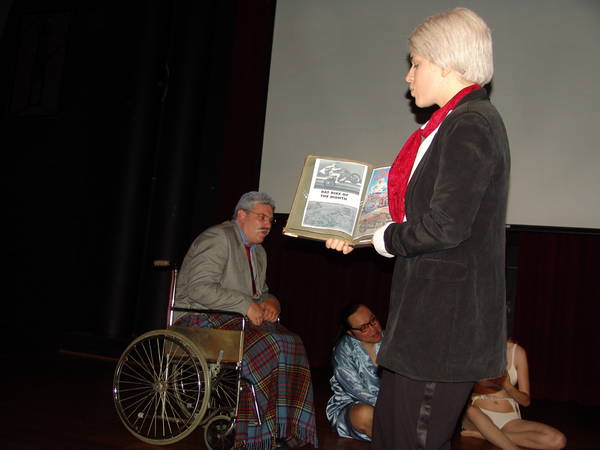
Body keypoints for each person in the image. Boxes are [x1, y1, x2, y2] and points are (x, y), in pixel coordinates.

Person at [325, 8, 510, 449]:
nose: (408, 76)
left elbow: (445, 226)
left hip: (441, 332)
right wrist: (359, 231)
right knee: (395, 437)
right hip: (425, 330)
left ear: (446, 63)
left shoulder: (470, 123)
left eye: (416, 63)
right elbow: (427, 216)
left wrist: (383, 238)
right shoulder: (454, 123)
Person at [174, 191, 317, 449]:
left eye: (271, 220)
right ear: (241, 215)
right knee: (270, 344)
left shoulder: (258, 252)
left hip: (233, 319)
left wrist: (271, 301)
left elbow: (260, 293)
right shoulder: (218, 238)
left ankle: (283, 429)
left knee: (291, 342)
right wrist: (245, 304)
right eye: (262, 217)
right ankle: (255, 434)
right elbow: (198, 289)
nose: (268, 224)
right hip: (199, 317)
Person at [461, 339, 567, 450]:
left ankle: (487, 435)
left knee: (558, 440)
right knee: (471, 411)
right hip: (478, 415)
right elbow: (476, 381)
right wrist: (495, 381)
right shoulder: (476, 348)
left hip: (509, 421)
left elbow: (526, 402)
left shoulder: (518, 352)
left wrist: (508, 387)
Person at [326, 304, 383, 442]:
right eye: (364, 328)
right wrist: (392, 407)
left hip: (395, 405)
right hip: (355, 404)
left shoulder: (393, 340)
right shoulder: (343, 352)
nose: (373, 329)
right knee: (364, 414)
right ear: (350, 333)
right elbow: (358, 391)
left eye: (373, 320)